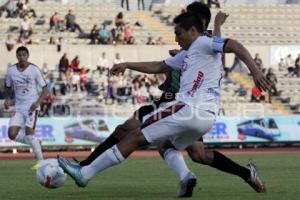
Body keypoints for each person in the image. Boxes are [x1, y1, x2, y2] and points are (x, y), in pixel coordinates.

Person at [58, 9, 270, 197]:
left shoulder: (202, 43)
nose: (176, 38)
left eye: (179, 33)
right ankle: (195, 177)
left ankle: (84, 173)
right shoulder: (190, 53)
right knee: (170, 148)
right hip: (205, 117)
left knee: (133, 136)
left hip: (187, 109)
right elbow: (159, 66)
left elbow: (234, 45)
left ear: (193, 31)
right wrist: (128, 64)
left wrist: (255, 71)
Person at [4, 46, 49, 162]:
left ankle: (41, 163)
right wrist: (7, 99)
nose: (22, 57)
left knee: (29, 134)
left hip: (31, 106)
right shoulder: (11, 71)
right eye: (19, 55)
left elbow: (45, 90)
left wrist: (37, 102)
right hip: (18, 107)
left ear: (28, 56)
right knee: (11, 134)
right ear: (16, 56)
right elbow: (8, 87)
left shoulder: (34, 69)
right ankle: (35, 142)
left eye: (24, 55)